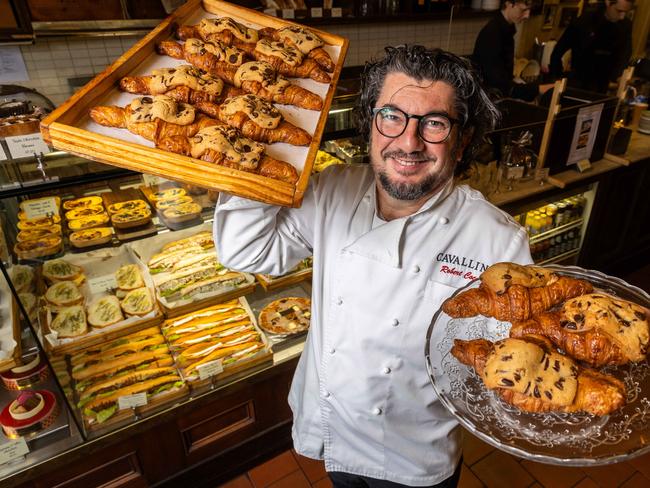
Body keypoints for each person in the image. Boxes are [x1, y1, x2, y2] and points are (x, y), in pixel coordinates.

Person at [214, 45, 532, 487]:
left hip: (415, 454)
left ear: (461, 142)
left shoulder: (497, 240)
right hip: (335, 431)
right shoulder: (330, 192)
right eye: (391, 116)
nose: (408, 142)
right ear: (371, 125)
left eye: (434, 124)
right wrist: (254, 148)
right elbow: (246, 251)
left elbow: (513, 362)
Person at [473, 0, 552, 101]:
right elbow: (498, 84)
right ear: (509, 3)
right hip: (488, 101)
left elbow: (504, 77)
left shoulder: (507, 29)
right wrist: (538, 89)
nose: (527, 15)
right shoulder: (492, 34)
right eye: (523, 10)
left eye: (529, 10)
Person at [549, 0, 635, 94]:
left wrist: (618, 75)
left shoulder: (625, 25)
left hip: (603, 84)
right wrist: (556, 78)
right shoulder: (585, 22)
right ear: (607, 2)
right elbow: (557, 52)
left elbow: (625, 53)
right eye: (619, 11)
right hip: (578, 81)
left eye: (625, 12)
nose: (622, 17)